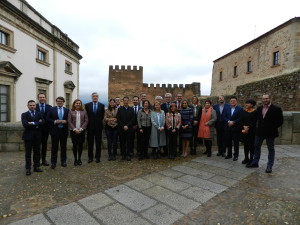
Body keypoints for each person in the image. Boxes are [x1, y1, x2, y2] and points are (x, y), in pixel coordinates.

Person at [247, 94, 283, 173]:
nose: (265, 100)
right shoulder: (259, 108)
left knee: (270, 149)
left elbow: (280, 121)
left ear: (270, 99)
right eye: (264, 99)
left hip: (270, 132)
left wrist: (271, 127)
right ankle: (255, 163)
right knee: (256, 146)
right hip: (259, 132)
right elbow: (255, 119)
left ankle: (269, 166)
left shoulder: (276, 109)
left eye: (266, 98)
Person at [21, 100, 44, 175]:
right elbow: (25, 124)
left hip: (37, 136)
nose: (32, 106)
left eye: (33, 105)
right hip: (28, 137)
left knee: (37, 152)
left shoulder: (39, 113)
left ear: (35, 106)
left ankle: (36, 167)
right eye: (30, 105)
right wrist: (37, 123)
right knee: (28, 153)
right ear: (28, 106)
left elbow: (43, 122)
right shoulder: (24, 114)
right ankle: (28, 168)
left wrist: (32, 123)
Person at [47, 97, 69, 169]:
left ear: (63, 102)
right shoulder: (51, 109)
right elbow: (48, 119)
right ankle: (53, 162)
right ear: (56, 102)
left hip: (63, 131)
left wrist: (66, 121)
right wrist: (55, 121)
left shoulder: (67, 110)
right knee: (54, 147)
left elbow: (70, 119)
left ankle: (63, 161)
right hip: (54, 131)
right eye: (58, 101)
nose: (60, 102)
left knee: (63, 147)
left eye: (61, 101)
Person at [85, 92, 105, 163]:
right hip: (90, 127)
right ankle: (90, 157)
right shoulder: (87, 105)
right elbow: (86, 116)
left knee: (98, 142)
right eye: (94, 96)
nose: (95, 97)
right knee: (90, 143)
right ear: (92, 97)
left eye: (96, 96)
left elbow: (102, 116)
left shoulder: (102, 105)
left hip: (98, 127)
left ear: (98, 97)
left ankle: (97, 157)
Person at [67, 99, 88, 166]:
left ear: (81, 104)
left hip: (82, 131)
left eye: (79, 103)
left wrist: (81, 129)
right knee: (75, 145)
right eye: (77, 103)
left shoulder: (84, 111)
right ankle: (75, 159)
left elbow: (86, 120)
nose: (78, 104)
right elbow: (69, 121)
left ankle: (79, 159)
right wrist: (75, 129)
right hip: (73, 131)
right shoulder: (71, 111)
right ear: (74, 104)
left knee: (81, 145)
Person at [223, 96, 243, 161]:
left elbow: (240, 118)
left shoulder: (240, 108)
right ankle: (229, 154)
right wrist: (228, 121)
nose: (232, 102)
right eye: (231, 101)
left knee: (236, 142)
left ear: (236, 101)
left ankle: (236, 155)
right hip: (228, 127)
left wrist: (234, 122)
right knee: (228, 141)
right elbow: (224, 116)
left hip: (236, 128)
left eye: (234, 101)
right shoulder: (226, 108)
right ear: (229, 102)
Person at [35, 93, 52, 166]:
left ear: (45, 98)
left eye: (43, 97)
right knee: (37, 145)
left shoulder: (49, 107)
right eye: (40, 97)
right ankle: (37, 161)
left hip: (46, 129)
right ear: (38, 98)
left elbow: (50, 117)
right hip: (37, 129)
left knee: (44, 145)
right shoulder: (34, 106)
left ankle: (44, 160)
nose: (42, 98)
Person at [239, 99, 257, 166]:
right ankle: (246, 158)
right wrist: (244, 126)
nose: (246, 104)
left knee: (251, 146)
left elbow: (254, 122)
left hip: (251, 131)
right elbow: (241, 120)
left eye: (248, 103)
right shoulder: (244, 111)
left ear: (252, 105)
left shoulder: (255, 112)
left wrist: (248, 128)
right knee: (246, 145)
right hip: (244, 131)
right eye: (246, 103)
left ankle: (251, 159)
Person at [117, 96, 135, 161]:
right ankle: (123, 155)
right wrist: (123, 126)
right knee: (122, 142)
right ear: (123, 101)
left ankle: (128, 155)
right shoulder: (120, 109)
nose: (126, 101)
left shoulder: (131, 109)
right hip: (122, 129)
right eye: (124, 100)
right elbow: (118, 119)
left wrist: (127, 125)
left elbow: (133, 119)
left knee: (129, 142)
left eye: (127, 100)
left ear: (128, 101)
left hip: (129, 128)